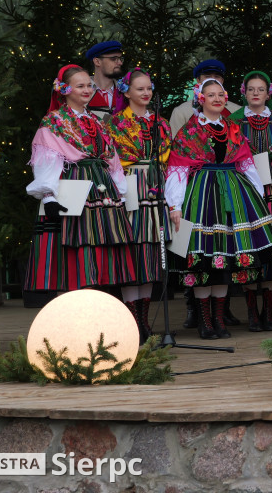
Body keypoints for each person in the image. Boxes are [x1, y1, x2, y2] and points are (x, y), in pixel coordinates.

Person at [165, 78, 272, 338]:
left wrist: (258, 196)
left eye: (221, 94)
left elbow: (246, 163)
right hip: (202, 195)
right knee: (203, 259)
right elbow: (178, 170)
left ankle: (219, 319)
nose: (217, 99)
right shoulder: (189, 130)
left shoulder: (232, 128)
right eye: (211, 95)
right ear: (200, 98)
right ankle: (205, 321)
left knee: (225, 257)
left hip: (233, 192)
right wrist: (175, 205)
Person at [25, 65, 139, 309]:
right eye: (81, 86)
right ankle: (73, 318)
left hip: (102, 191)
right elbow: (48, 159)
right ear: (64, 90)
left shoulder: (95, 121)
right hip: (75, 189)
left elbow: (111, 158)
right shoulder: (55, 121)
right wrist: (49, 196)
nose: (87, 90)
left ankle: (99, 317)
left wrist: (120, 191)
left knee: (102, 259)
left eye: (89, 85)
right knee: (75, 259)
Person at [105, 68, 172, 342]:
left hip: (157, 186)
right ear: (126, 91)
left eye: (149, 89)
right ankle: (133, 322)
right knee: (132, 254)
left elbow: (168, 154)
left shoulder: (162, 123)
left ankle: (144, 321)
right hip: (130, 185)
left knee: (150, 254)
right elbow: (112, 159)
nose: (146, 93)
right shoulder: (116, 123)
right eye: (140, 89)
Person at [228, 71, 272, 331]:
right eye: (251, 89)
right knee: (248, 243)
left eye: (260, 89)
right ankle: (251, 311)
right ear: (244, 92)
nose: (256, 93)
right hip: (243, 182)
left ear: (268, 93)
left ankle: (268, 311)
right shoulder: (232, 120)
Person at [169, 59, 242, 131]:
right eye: (207, 76)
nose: (213, 80)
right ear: (198, 80)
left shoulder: (237, 111)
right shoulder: (181, 112)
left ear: (222, 81)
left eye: (217, 76)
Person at [85, 40, 127, 118]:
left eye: (120, 58)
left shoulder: (125, 92)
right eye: (114, 59)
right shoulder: (80, 91)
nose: (120, 63)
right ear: (97, 61)